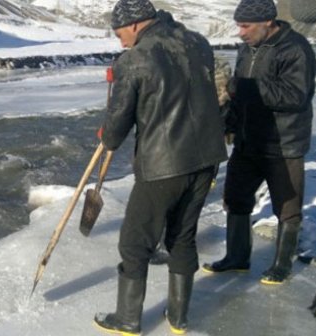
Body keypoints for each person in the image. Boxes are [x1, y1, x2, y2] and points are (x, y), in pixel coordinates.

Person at [92, 0, 228, 335]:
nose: (118, 38)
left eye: (118, 31)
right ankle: (179, 318)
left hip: (164, 164)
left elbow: (116, 127)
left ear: (135, 24)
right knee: (182, 236)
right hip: (207, 158)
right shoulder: (198, 42)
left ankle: (127, 319)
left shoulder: (135, 59)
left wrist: (107, 134)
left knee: (135, 242)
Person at [202, 0, 316, 286]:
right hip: (247, 139)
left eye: (246, 26)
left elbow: (295, 96)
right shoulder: (247, 48)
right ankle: (237, 257)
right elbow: (238, 95)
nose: (240, 32)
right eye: (239, 25)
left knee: (287, 207)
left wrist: (246, 88)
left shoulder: (295, 48)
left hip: (283, 142)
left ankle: (281, 265)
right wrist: (228, 123)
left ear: (268, 22)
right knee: (236, 199)